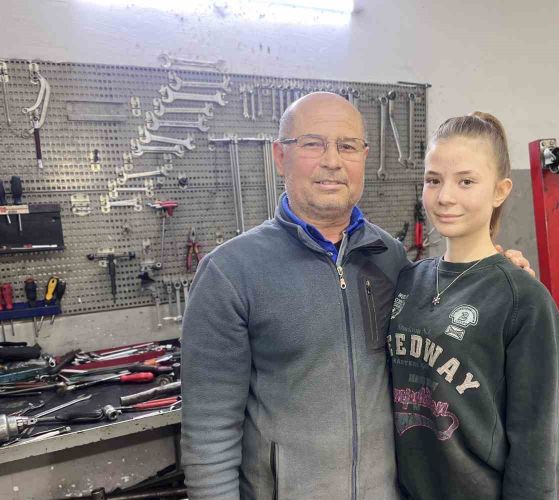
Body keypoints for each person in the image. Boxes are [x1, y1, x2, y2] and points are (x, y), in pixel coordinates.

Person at [180, 93, 533, 500]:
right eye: (313, 144)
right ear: (280, 156)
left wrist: (497, 279)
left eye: (347, 146)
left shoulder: (391, 258)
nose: (332, 161)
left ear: (364, 157)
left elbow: (446, 331)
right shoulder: (230, 273)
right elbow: (209, 434)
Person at [387, 112, 559, 500]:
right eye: (433, 180)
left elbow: (540, 442)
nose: (445, 197)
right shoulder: (408, 280)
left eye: (466, 181)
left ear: (500, 191)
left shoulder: (523, 301)